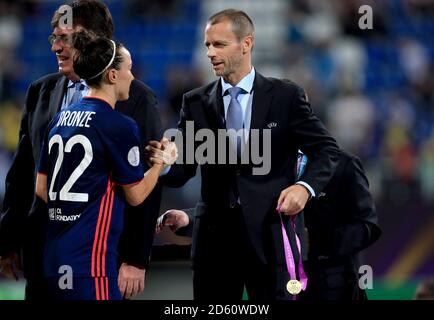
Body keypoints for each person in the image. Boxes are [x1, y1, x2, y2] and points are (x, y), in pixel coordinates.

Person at [147, 9, 340, 300]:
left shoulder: (285, 97)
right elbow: (183, 169)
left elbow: (327, 152)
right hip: (215, 248)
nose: (210, 53)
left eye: (219, 44)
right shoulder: (195, 102)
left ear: (246, 44)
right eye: (207, 45)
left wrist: (305, 187)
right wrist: (162, 165)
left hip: (273, 242)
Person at [0, 0, 163, 300]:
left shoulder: (138, 97)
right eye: (54, 38)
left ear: (93, 40)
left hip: (101, 256)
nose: (55, 48)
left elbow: (145, 191)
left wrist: (136, 258)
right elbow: (22, 171)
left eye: (65, 38)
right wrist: (8, 240)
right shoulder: (40, 91)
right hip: (43, 252)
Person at [35, 32, 175, 300]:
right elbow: (136, 196)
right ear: (112, 75)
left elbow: (42, 188)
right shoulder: (118, 125)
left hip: (53, 259)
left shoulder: (59, 119)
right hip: (92, 262)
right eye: (128, 69)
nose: (132, 78)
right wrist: (161, 162)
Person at [156, 150, 381, 300]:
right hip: (277, 285)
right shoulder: (259, 166)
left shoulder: (342, 164)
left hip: (332, 286)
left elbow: (366, 227)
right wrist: (188, 219)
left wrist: (314, 241)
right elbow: (239, 214)